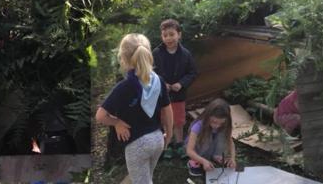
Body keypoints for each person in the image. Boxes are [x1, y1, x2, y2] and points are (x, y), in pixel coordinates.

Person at [96, 33, 173, 184]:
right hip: (158, 139)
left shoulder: (123, 88)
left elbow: (100, 116)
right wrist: (169, 135)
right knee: (146, 178)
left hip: (137, 146)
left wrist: (116, 122)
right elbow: (168, 110)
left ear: (123, 58)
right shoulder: (159, 81)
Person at [153, 19, 198, 160]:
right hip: (161, 96)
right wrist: (161, 83)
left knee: (178, 121)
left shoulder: (186, 54)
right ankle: (166, 146)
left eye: (171, 34)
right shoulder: (156, 53)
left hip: (179, 96)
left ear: (179, 34)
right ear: (162, 37)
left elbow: (192, 72)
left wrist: (181, 83)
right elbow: (150, 72)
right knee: (165, 121)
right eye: (165, 35)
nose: (168, 38)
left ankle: (179, 144)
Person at [185, 98, 236, 177]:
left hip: (212, 145)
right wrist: (203, 161)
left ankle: (215, 156)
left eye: (221, 123)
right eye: (214, 122)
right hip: (198, 147)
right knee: (206, 138)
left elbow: (230, 142)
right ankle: (195, 161)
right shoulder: (198, 126)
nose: (217, 126)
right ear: (207, 116)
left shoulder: (224, 126)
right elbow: (189, 150)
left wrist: (232, 158)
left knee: (224, 135)